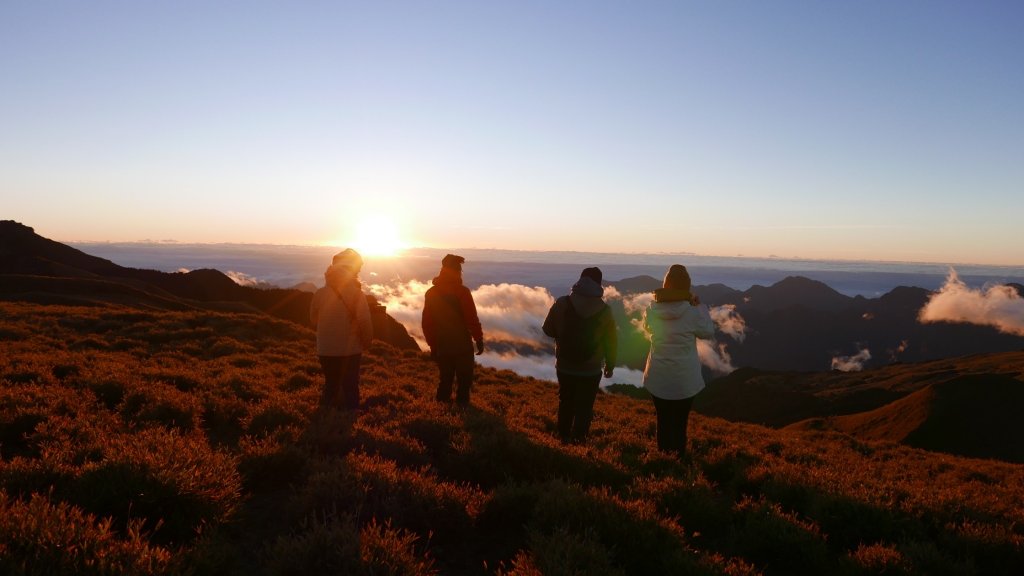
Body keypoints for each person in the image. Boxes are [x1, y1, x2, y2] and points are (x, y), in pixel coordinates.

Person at [642, 264, 715, 460]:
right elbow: (708, 331)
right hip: (684, 380)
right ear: (686, 288)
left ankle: (663, 462)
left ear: (666, 285)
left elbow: (647, 329)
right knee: (680, 424)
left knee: (663, 421)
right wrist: (699, 306)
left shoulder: (651, 310)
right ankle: (678, 462)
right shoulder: (692, 313)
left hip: (658, 377)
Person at [542, 267, 617, 444]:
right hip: (590, 369)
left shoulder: (562, 303)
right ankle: (579, 441)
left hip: (564, 365)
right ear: (599, 284)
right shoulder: (605, 311)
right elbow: (611, 342)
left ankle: (563, 438)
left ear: (580, 280)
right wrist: (610, 365)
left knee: (565, 401)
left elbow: (547, 330)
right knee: (585, 407)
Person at [309, 249, 374, 412]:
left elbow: (313, 319)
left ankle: (324, 419)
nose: (359, 271)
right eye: (358, 268)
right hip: (350, 350)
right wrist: (366, 342)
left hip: (325, 349)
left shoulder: (320, 293)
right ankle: (350, 419)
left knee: (331, 385)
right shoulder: (357, 294)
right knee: (350, 386)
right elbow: (365, 321)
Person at [422, 254, 484, 406]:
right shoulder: (462, 292)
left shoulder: (431, 293)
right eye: (459, 268)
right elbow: (471, 318)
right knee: (464, 380)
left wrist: (433, 345)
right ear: (457, 270)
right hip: (462, 345)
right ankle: (462, 411)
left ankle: (441, 411)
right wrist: (479, 339)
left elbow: (427, 323)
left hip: (442, 344)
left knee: (445, 379)